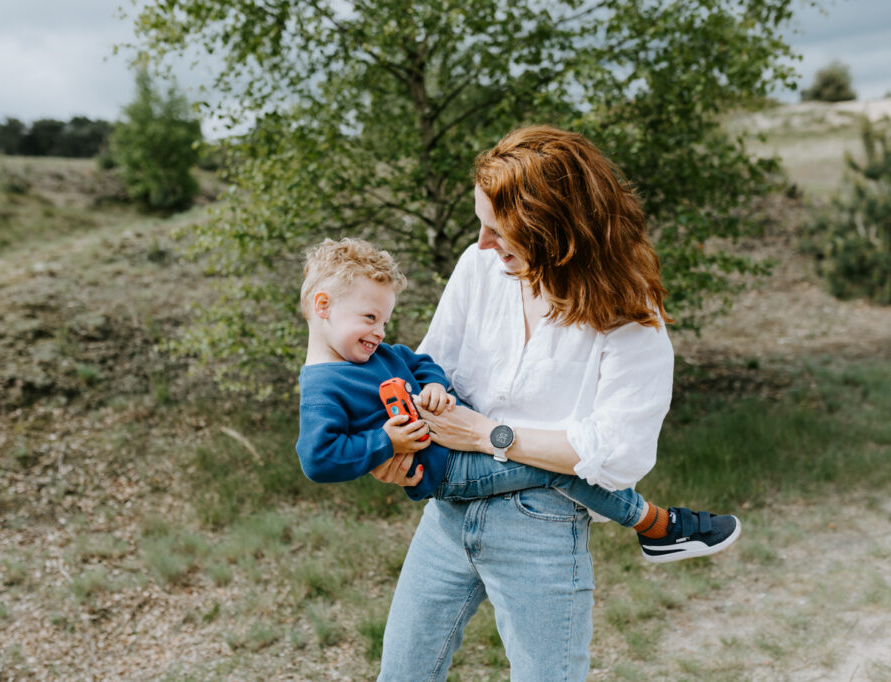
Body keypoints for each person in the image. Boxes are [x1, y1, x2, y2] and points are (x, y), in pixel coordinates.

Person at [371, 125, 736, 680]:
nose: (483, 243)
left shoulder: (628, 318)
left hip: (540, 527)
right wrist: (394, 447)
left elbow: (619, 455)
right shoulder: (479, 267)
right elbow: (432, 365)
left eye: (499, 230)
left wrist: (489, 435)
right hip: (446, 511)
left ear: (557, 231)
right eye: (480, 223)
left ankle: (657, 525)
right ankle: (658, 526)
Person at [296, 237, 739, 567]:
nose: (380, 332)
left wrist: (431, 385)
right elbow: (319, 458)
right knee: (555, 466)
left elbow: (424, 363)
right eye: (370, 318)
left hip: (459, 446)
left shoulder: (379, 353)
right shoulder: (323, 386)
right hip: (446, 469)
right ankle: (658, 526)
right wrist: (384, 443)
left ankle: (656, 527)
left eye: (385, 320)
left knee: (559, 466)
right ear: (323, 306)